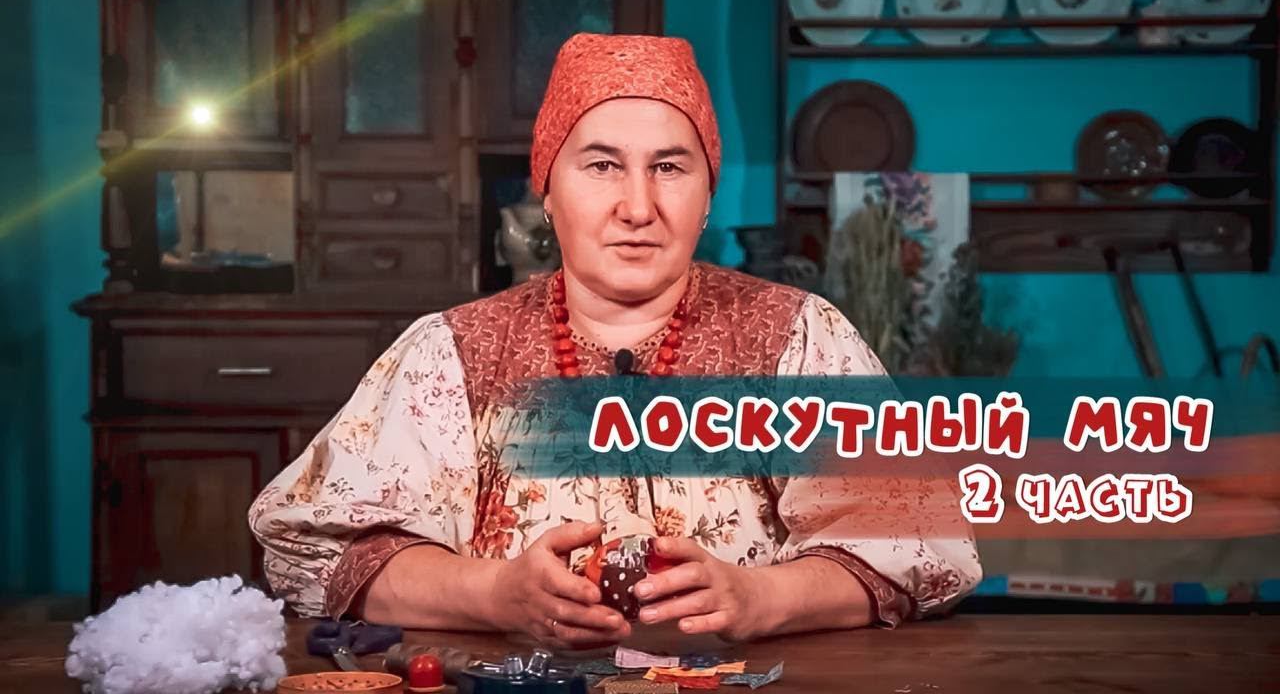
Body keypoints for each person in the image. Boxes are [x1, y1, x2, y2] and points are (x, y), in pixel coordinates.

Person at [249, 33, 980, 648]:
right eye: (602, 165)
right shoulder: (453, 353)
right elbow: (318, 551)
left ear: (707, 195)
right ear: (547, 189)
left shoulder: (797, 338)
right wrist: (494, 594)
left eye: (670, 167)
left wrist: (762, 599)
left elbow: (920, 542)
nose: (638, 206)